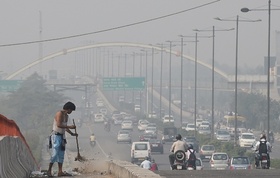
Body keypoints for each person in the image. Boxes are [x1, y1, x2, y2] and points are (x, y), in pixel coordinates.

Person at [47, 102, 78, 177]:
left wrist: (72, 133)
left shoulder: (66, 116)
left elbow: (65, 127)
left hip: (62, 136)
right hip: (56, 136)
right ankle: (49, 170)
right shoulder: (59, 114)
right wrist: (70, 126)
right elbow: (59, 125)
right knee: (55, 153)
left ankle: (60, 171)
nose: (71, 112)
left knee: (61, 154)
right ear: (68, 109)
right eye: (71, 110)